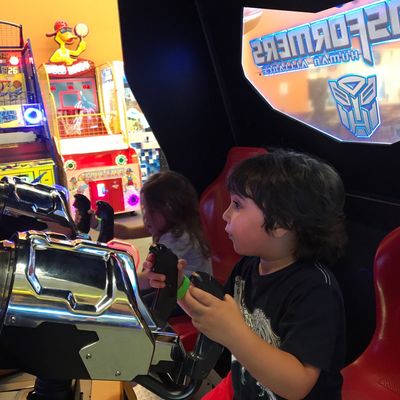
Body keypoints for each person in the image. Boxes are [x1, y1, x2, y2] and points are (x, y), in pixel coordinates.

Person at [142, 149, 347, 400]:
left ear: (281, 222)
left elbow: (297, 385)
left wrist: (234, 333)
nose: (225, 214)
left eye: (237, 205)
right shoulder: (247, 267)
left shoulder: (315, 290)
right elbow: (213, 314)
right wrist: (177, 286)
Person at [137, 170, 212, 291]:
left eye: (151, 210)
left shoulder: (178, 237)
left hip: (192, 297)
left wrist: (119, 280)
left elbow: (150, 278)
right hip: (184, 292)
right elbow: (133, 231)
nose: (146, 216)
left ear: (168, 209)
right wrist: (106, 225)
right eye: (144, 209)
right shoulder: (179, 226)